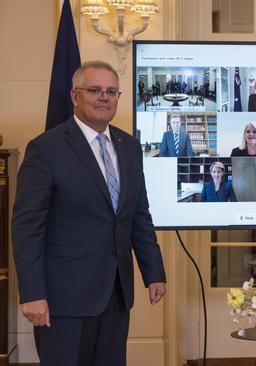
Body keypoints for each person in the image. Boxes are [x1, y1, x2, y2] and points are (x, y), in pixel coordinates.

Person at [12, 61, 167, 366]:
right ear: (74, 96)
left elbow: (138, 215)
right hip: (64, 298)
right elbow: (27, 227)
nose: (103, 97)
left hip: (116, 294)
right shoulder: (46, 149)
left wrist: (154, 273)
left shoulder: (130, 146)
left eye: (111, 91)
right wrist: (32, 293)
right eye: (94, 90)